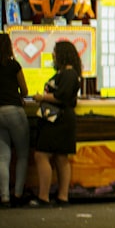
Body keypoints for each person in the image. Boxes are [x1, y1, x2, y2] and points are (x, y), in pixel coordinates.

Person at [31, 40, 81, 206]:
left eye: (55, 51)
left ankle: (43, 196)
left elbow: (62, 96)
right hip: (62, 120)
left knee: (42, 154)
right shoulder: (68, 73)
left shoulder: (68, 74)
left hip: (58, 120)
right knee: (61, 157)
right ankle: (62, 196)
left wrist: (41, 97)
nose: (52, 54)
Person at [0, 34, 30, 207]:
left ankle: (4, 197)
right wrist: (19, 96)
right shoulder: (14, 65)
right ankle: (18, 194)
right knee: (22, 154)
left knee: (2, 157)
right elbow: (25, 90)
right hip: (14, 110)